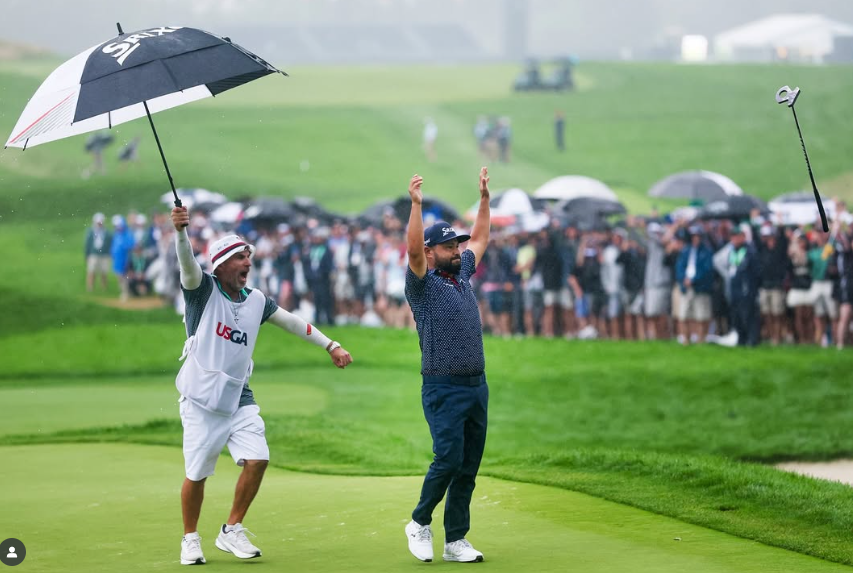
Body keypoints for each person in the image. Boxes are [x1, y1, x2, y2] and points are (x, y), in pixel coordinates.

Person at [170, 206, 353, 566]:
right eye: (240, 257)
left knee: (258, 459)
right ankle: (190, 538)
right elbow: (187, 264)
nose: (247, 262)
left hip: (239, 396)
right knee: (197, 474)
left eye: (248, 256)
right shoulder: (202, 290)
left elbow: (293, 322)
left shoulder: (256, 301)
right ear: (221, 264)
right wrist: (180, 232)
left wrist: (330, 345)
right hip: (200, 400)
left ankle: (231, 529)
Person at [403, 167, 490, 564]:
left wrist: (484, 200)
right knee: (449, 459)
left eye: (457, 245)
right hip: (443, 387)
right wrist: (416, 206)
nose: (457, 251)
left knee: (467, 467)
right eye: (449, 247)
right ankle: (419, 522)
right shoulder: (423, 284)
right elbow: (412, 252)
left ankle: (456, 539)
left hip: (476, 387)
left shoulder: (462, 276)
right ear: (431, 252)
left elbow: (482, 237)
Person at [85, 212, 112, 292]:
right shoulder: (90, 232)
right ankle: (90, 288)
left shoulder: (107, 233)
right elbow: (87, 244)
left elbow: (109, 244)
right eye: (98, 222)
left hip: (104, 255)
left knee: (104, 272)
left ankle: (104, 288)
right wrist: (87, 255)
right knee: (91, 271)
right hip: (93, 254)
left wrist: (109, 254)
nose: (99, 224)